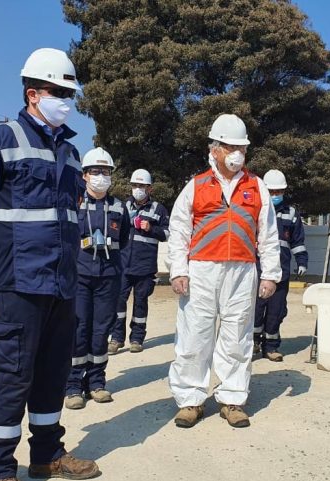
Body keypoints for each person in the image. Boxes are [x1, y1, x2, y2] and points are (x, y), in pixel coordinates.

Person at [0, 48, 100, 481]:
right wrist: (1, 258)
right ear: (33, 93)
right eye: (58, 91)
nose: (67, 100)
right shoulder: (0, 140)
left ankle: (47, 455)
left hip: (60, 282)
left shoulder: (72, 154)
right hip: (16, 281)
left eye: (70, 93)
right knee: (13, 374)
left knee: (53, 372)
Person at [167, 114, 281, 428]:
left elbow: (268, 233)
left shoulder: (256, 186)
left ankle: (232, 399)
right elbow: (178, 230)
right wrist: (178, 270)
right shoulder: (196, 185)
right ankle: (190, 400)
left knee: (237, 336)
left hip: (243, 270)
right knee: (195, 335)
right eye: (231, 146)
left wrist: (270, 273)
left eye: (242, 147)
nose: (237, 153)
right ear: (214, 148)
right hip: (202, 269)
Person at [64, 147, 130, 410]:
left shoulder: (118, 206)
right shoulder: (74, 203)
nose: (101, 176)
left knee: (101, 330)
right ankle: (72, 386)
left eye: (106, 172)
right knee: (79, 329)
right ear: (84, 176)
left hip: (108, 275)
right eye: (95, 171)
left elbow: (123, 239)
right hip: (79, 276)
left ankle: (97, 382)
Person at [108, 168, 170, 354]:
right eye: (135, 185)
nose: (138, 189)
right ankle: (116, 339)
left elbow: (167, 233)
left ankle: (136, 338)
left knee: (141, 302)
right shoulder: (122, 206)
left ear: (149, 188)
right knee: (118, 302)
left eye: (142, 186)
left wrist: (151, 228)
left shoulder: (158, 209)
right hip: (122, 264)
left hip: (145, 266)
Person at [253, 169, 308, 362]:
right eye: (271, 192)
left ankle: (271, 347)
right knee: (255, 309)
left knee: (276, 311)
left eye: (279, 192)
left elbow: (298, 241)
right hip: (257, 270)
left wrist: (302, 262)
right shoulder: (255, 210)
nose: (275, 196)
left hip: (281, 272)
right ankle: (253, 343)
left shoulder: (291, 213)